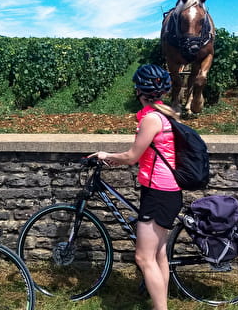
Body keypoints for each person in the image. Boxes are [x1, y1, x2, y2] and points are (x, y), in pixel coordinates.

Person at [89, 64, 182, 310]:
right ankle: (159, 305)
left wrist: (104, 154)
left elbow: (132, 156)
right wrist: (115, 159)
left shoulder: (151, 118)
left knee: (143, 257)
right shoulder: (167, 114)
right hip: (168, 190)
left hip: (158, 192)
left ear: (139, 91)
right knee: (159, 253)